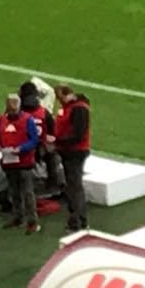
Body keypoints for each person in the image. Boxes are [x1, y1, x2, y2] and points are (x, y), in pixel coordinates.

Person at [0, 93, 41, 233]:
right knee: (14, 192)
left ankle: (32, 221)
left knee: (27, 193)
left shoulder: (28, 120)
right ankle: (18, 217)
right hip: (9, 162)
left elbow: (34, 140)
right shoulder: (1, 120)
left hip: (24, 163)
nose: (12, 111)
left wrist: (21, 149)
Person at [53, 84, 92, 230]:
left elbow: (78, 135)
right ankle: (78, 219)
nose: (58, 101)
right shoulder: (70, 107)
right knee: (73, 185)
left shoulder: (79, 109)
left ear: (65, 94)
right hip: (69, 151)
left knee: (74, 186)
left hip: (75, 152)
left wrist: (57, 141)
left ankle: (78, 220)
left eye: (59, 97)